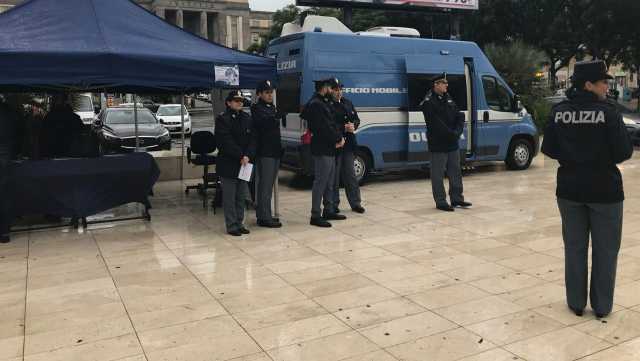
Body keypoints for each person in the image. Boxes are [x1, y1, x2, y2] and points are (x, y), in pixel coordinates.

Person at [541, 60, 633, 319]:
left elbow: (548, 149)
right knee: (605, 251)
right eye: (604, 82)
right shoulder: (609, 112)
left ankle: (576, 303)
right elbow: (624, 152)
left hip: (569, 190)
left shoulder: (559, 111)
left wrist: (573, 157)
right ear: (588, 84)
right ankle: (602, 307)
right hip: (605, 192)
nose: (607, 86)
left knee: (574, 248)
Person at [421, 73, 472, 212]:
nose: (446, 85)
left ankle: (457, 198)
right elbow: (436, 124)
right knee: (437, 175)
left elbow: (459, 115)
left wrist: (458, 131)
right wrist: (452, 134)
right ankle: (441, 201)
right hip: (438, 144)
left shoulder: (447, 97)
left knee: (455, 172)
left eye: (446, 83)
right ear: (436, 84)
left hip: (452, 143)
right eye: (443, 83)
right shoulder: (428, 102)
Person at [302, 78, 346, 227]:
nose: (332, 90)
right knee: (321, 182)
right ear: (325, 87)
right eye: (330, 87)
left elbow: (332, 123)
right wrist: (338, 138)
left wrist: (338, 138)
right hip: (322, 148)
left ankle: (329, 210)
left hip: (329, 147)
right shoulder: (316, 104)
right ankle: (315, 215)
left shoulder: (322, 102)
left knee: (329, 182)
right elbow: (325, 127)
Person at [215, 90, 257, 237]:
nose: (239, 102)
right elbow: (225, 142)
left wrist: (247, 155)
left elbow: (253, 139)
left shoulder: (247, 118)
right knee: (229, 197)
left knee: (241, 196)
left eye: (241, 100)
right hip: (229, 163)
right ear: (228, 103)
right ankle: (231, 225)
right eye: (236, 100)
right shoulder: (222, 119)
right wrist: (241, 155)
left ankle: (240, 223)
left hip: (244, 163)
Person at [252, 80, 285, 228]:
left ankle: (266, 213)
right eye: (267, 92)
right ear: (259, 94)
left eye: (271, 92)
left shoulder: (272, 107)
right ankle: (263, 217)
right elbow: (264, 123)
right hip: (265, 151)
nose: (270, 95)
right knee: (264, 186)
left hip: (275, 150)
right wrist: (276, 117)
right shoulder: (257, 108)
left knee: (269, 185)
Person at [330, 81, 365, 214]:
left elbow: (356, 119)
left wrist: (353, 125)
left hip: (349, 145)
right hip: (336, 145)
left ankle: (356, 203)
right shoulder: (329, 105)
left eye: (340, 89)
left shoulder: (347, 102)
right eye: (335, 90)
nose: (339, 92)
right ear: (331, 91)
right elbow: (329, 124)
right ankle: (333, 204)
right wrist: (342, 127)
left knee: (350, 175)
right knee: (334, 177)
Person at [40, 94, 84, 159]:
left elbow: (44, 131)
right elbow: (81, 128)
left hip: (56, 151)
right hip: (67, 151)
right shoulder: (72, 116)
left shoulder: (50, 116)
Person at [0, 96, 17, 243]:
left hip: (4, 155)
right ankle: (4, 232)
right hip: (4, 157)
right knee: (4, 194)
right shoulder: (7, 112)